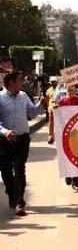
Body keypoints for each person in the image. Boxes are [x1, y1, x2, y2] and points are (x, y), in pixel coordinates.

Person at [0, 71, 42, 216]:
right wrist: (5, 132)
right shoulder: (0, 98)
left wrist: (41, 104)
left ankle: (20, 202)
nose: (22, 82)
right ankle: (12, 193)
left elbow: (32, 113)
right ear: (11, 82)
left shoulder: (23, 96)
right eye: (19, 80)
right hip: (4, 140)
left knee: (19, 169)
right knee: (5, 171)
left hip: (22, 139)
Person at [45, 76, 59, 144]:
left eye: (54, 81)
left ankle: (59, 137)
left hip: (59, 109)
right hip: (51, 109)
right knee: (51, 124)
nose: (53, 83)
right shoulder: (48, 90)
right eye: (52, 82)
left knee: (59, 123)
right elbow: (47, 99)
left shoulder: (60, 89)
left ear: (57, 82)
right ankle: (51, 137)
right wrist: (49, 106)